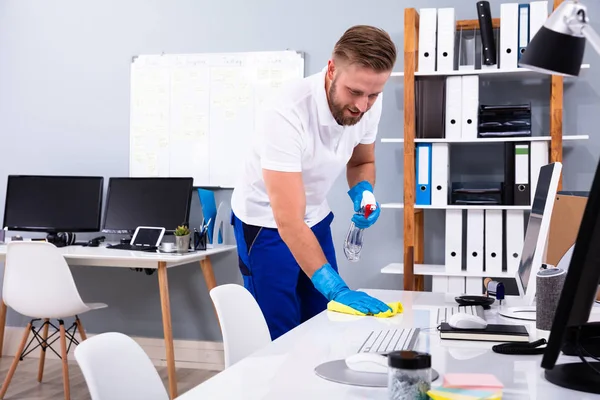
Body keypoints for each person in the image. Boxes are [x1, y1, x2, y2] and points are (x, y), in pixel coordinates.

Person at [230, 25, 397, 340]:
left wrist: (364, 193)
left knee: (322, 323)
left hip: (315, 216)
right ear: (332, 69)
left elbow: (362, 161)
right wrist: (337, 287)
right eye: (355, 92)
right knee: (278, 331)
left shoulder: (369, 99)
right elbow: (289, 221)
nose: (363, 106)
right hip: (266, 223)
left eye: (373, 94)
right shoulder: (285, 113)